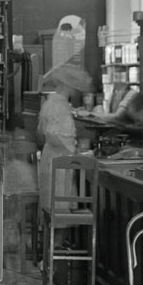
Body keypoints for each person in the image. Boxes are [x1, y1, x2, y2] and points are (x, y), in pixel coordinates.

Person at [36, 63, 94, 218]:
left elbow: (42, 132)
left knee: (52, 208)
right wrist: (75, 151)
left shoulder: (50, 102)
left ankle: (54, 241)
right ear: (69, 86)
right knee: (60, 209)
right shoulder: (59, 106)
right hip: (59, 162)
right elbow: (54, 135)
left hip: (51, 158)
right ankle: (57, 242)